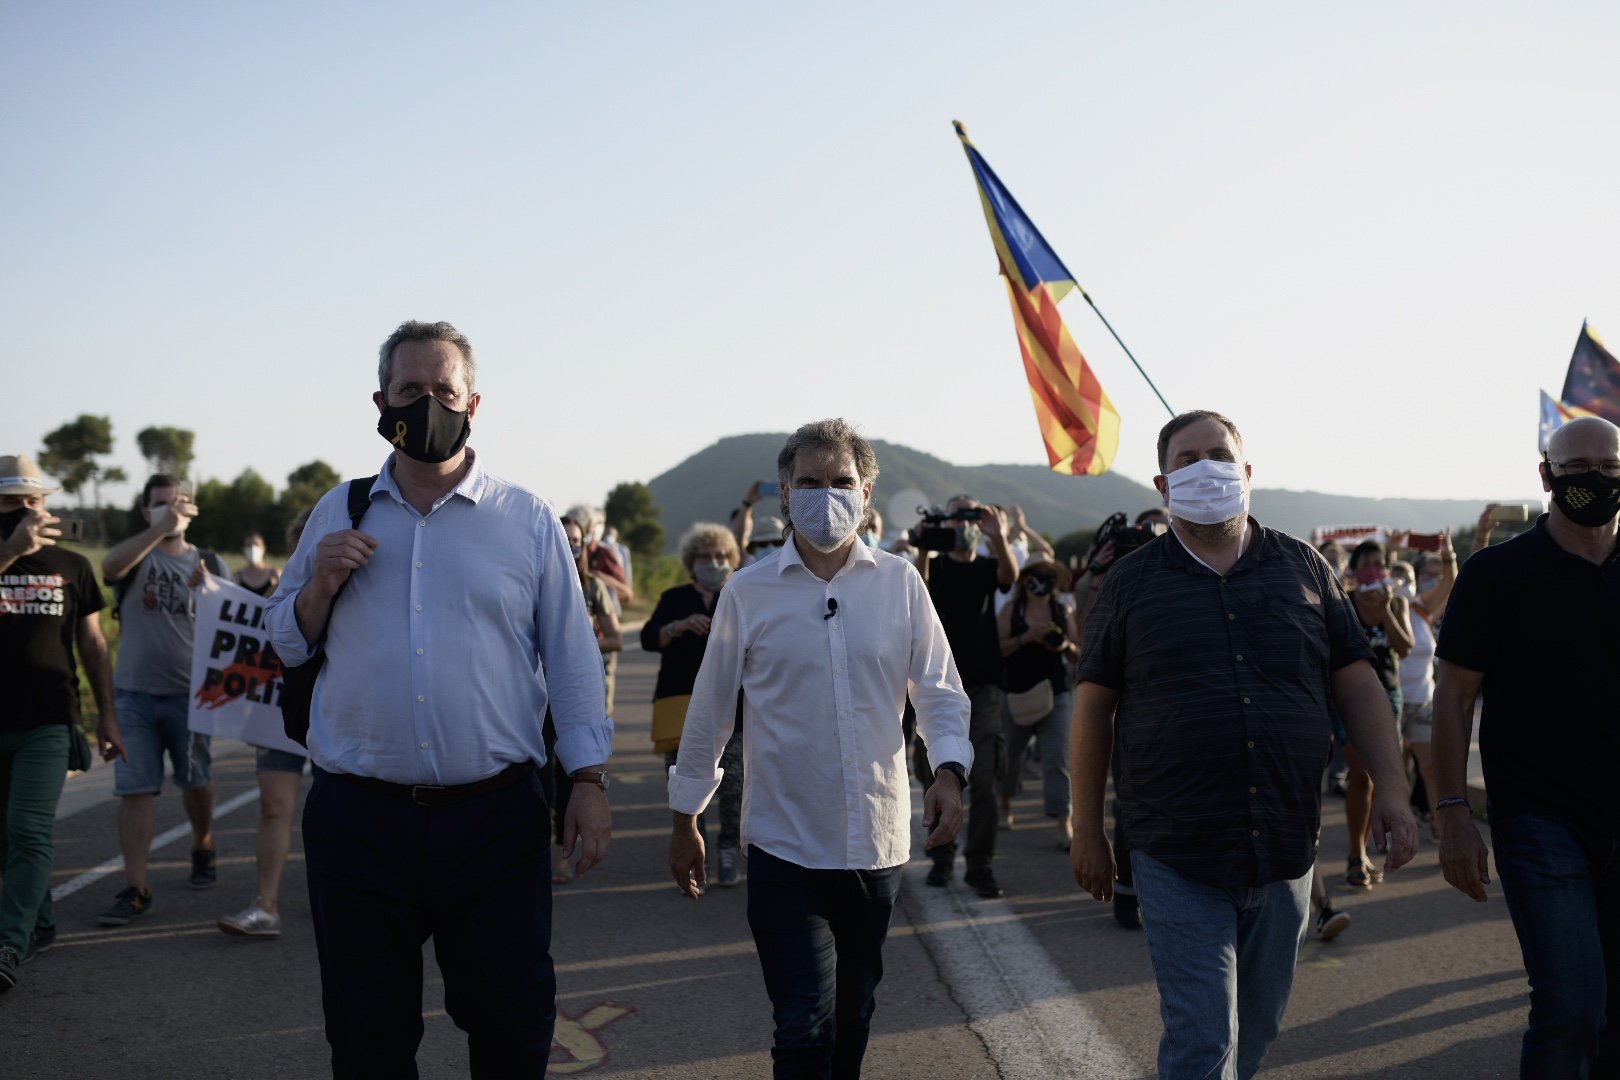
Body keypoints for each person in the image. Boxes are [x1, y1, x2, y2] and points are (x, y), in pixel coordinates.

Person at [263, 319, 613, 1077]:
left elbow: (573, 660)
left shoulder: (526, 519)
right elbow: (287, 643)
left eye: (442, 390)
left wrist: (586, 781)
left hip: (495, 821)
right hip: (360, 819)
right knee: (366, 1033)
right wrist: (320, 584)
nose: (427, 404)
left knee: (512, 1023)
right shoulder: (339, 510)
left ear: (474, 402)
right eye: (410, 390)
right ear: (381, 401)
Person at [1071, 410, 1417, 1080]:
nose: (1207, 469)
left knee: (1254, 1030)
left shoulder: (1304, 568)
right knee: (1203, 1041)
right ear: (1163, 482)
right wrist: (1086, 827)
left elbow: (1359, 685)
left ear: (1247, 471)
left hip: (1286, 844)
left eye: (1220, 456)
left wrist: (1395, 791)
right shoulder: (1132, 583)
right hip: (1176, 848)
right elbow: (1093, 709)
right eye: (1189, 459)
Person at [668, 419, 972, 1079]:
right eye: (809, 482)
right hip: (784, 844)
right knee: (802, 1020)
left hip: (874, 842)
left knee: (853, 1014)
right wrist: (686, 816)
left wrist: (949, 770)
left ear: (866, 492)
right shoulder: (748, 593)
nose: (825, 494)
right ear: (785, 492)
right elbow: (712, 709)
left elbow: (941, 692)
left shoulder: (900, 584)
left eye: (840, 481)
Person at [1433, 415, 1620, 1077]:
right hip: (1539, 819)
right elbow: (1452, 699)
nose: (1595, 480)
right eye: (1576, 471)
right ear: (1546, 477)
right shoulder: (1496, 576)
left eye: (1609, 467)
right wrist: (1451, 811)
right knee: (1571, 1008)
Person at [0, 455, 124, 989]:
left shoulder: (73, 565)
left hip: (50, 717)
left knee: (28, 829)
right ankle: (41, 921)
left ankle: (8, 942)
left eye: (36, 500)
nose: (29, 509)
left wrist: (108, 718)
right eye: (14, 502)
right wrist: (11, 551)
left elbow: (93, 644)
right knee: (7, 837)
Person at [98, 474, 233, 924]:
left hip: (192, 697)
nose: (171, 510)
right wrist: (159, 529)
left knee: (196, 781)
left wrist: (211, 589)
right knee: (135, 789)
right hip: (134, 695)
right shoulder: (137, 555)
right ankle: (136, 887)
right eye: (160, 504)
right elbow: (109, 569)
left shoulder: (210, 562)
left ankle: (203, 842)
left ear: (192, 509)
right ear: (145, 511)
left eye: (178, 503)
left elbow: (235, 626)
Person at [916, 494, 1016, 898]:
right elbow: (918, 587)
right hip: (935, 684)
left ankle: (980, 865)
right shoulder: (934, 566)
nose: (964, 524)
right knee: (934, 775)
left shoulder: (989, 564)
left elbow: (1010, 578)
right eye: (956, 516)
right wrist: (924, 545)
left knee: (987, 779)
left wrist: (999, 536)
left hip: (984, 685)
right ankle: (942, 859)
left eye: (972, 516)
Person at [641, 523, 746, 885]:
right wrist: (678, 627)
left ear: (731, 560)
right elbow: (648, 638)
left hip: (734, 710)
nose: (714, 562)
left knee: (733, 785)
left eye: (721, 556)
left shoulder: (739, 594)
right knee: (684, 783)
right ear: (691, 560)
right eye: (706, 556)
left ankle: (729, 846)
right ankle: (688, 844)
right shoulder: (674, 597)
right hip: (680, 708)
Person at [547, 514, 622, 885]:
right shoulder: (535, 578)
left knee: (566, 778)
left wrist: (575, 647)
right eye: (563, 537)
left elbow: (616, 638)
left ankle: (562, 853)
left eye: (575, 539)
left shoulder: (593, 588)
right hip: (532, 700)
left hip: (575, 697)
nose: (570, 544)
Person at [1340, 540, 1414, 888]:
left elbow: (1405, 647)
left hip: (1389, 695)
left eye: (1379, 562)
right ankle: (1357, 854)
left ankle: (1366, 851)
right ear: (1355, 569)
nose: (1375, 568)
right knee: (1362, 777)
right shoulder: (1344, 604)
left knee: (1379, 776)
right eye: (1367, 563)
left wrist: (1386, 611)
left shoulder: (1396, 602)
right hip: (1350, 701)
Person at [995, 557, 1079, 851]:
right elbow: (998, 649)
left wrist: (1063, 644)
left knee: (1058, 759)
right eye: (1034, 575)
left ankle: (1063, 823)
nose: (1041, 580)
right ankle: (1004, 803)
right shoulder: (1011, 610)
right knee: (1011, 758)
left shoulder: (1062, 610)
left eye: (1046, 576)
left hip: (1056, 693)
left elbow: (1077, 653)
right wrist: (1026, 637)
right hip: (1018, 695)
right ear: (1023, 579)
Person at [236, 532, 280, 597]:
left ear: (264, 548)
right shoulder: (237, 577)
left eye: (257, 545)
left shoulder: (275, 574)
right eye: (249, 545)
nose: (253, 548)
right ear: (243, 549)